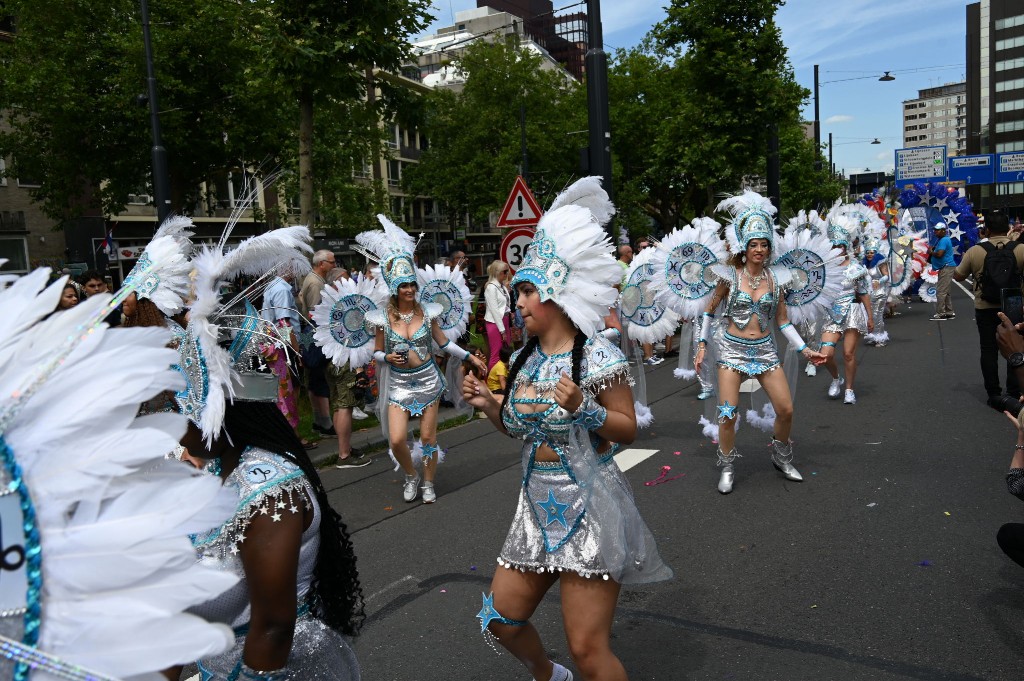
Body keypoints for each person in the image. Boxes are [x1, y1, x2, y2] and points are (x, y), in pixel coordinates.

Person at [463, 178, 671, 681]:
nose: (521, 304)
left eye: (529, 292)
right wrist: (491, 405)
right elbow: (519, 429)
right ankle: (547, 675)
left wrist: (585, 409)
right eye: (519, 293)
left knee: (588, 649)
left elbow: (627, 431)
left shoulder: (598, 355)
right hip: (534, 507)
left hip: (590, 508)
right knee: (500, 620)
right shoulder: (521, 359)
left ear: (557, 293)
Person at [179, 401, 365, 680]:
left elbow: (273, 626)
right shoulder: (219, 468)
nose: (176, 433)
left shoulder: (268, 493)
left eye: (179, 412)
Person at [694, 191, 825, 494]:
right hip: (732, 350)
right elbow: (709, 312)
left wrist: (805, 349)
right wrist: (702, 345)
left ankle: (781, 456)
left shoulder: (777, 279)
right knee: (727, 413)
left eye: (764, 244)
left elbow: (782, 320)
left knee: (786, 409)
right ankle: (727, 465)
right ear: (744, 246)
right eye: (754, 244)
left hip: (765, 349)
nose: (760, 250)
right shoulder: (728, 276)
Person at [358, 215, 486, 504]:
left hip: (428, 381)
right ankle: (410, 475)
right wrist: (386, 356)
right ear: (394, 288)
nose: (410, 290)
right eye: (404, 286)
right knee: (396, 439)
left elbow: (444, 343)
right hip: (399, 385)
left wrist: (471, 357)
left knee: (428, 440)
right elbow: (375, 352)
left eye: (412, 285)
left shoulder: (428, 312)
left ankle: (428, 482)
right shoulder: (382, 319)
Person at [955, 212, 1024, 408]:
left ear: (986, 229)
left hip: (985, 307)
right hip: (1014, 307)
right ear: (1008, 227)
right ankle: (1014, 390)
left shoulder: (976, 251)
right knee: (1016, 346)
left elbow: (959, 276)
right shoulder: (1020, 249)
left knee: (988, 350)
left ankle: (994, 393)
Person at [818, 212, 873, 405]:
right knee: (825, 355)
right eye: (834, 246)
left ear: (846, 246)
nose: (838, 249)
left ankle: (849, 389)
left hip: (851, 311)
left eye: (841, 246)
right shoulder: (823, 268)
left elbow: (864, 292)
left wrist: (870, 317)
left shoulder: (856, 268)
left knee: (848, 353)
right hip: (831, 313)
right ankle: (836, 379)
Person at [299, 250, 338, 437]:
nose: (334, 265)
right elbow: (314, 314)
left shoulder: (314, 279)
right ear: (321, 264)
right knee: (318, 377)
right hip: (315, 335)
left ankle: (320, 420)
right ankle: (324, 422)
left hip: (312, 334)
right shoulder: (315, 283)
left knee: (315, 378)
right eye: (332, 262)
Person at [483, 259, 512, 370]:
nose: (506, 274)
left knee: (505, 353)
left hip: (503, 320)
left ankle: (502, 377)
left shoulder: (502, 286)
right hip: (495, 322)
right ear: (497, 272)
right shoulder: (491, 287)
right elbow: (494, 310)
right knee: (496, 354)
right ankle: (491, 380)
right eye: (504, 272)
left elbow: (504, 304)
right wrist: (502, 330)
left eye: (507, 271)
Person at [928, 223, 956, 321]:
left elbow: (940, 254)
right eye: (935, 229)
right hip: (946, 267)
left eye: (938, 230)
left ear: (944, 230)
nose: (935, 231)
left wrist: (931, 252)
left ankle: (941, 313)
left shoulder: (944, 240)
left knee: (940, 291)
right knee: (946, 291)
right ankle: (949, 312)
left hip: (946, 267)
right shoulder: (943, 239)